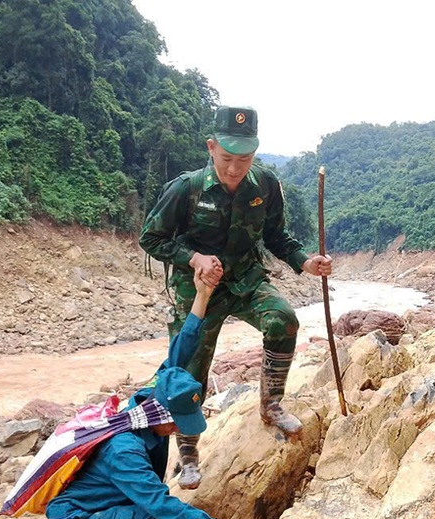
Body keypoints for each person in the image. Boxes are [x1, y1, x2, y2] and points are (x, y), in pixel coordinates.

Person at [45, 268, 266, 519]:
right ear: (162, 415)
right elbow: (160, 506)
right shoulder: (126, 449)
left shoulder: (152, 396)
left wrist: (202, 295)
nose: (181, 429)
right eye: (179, 422)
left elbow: (181, 349)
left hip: (86, 512)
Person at [140, 105, 333, 489]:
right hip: (199, 289)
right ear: (211, 147)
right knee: (188, 369)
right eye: (227, 158)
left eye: (243, 159)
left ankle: (271, 404)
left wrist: (307, 263)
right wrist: (193, 258)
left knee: (283, 319)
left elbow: (278, 237)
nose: (234, 168)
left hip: (245, 278)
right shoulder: (187, 188)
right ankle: (189, 453)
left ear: (255, 153)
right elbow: (151, 238)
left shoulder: (264, 185)